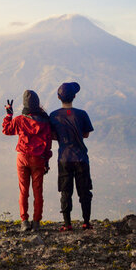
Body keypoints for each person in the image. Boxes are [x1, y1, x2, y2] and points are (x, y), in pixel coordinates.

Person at [2, 90, 53, 232]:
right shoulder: (45, 122)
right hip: (38, 160)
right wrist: (46, 162)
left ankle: (24, 221)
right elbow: (48, 145)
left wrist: (9, 115)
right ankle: (36, 222)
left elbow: (6, 130)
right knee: (38, 191)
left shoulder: (19, 120)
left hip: (22, 157)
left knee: (23, 190)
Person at [49, 82, 94, 231]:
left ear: (58, 97)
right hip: (81, 158)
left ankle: (67, 223)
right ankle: (86, 222)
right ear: (74, 96)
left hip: (64, 158)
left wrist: (63, 137)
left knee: (65, 191)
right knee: (84, 191)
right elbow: (86, 134)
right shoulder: (82, 114)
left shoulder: (54, 115)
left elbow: (52, 135)